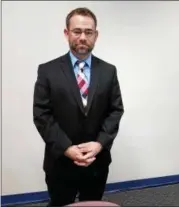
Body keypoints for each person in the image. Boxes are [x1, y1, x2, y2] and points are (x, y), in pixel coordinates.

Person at [33, 7, 124, 207]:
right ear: (67, 33)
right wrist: (66, 148)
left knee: (92, 203)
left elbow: (115, 110)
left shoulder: (109, 71)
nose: (83, 37)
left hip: (96, 162)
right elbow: (42, 115)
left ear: (96, 35)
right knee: (60, 203)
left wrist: (100, 143)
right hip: (60, 162)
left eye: (88, 32)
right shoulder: (47, 71)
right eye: (77, 31)